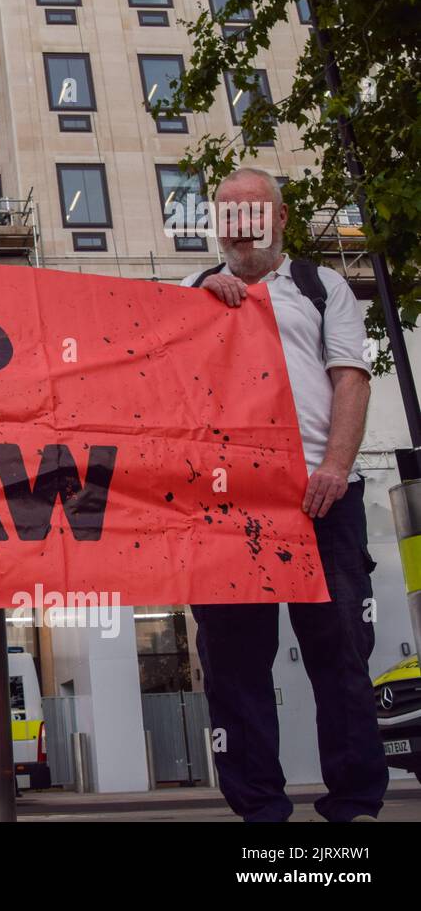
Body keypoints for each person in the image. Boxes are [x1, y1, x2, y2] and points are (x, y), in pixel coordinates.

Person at [183, 166, 388, 822]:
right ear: (218, 226)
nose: (244, 228)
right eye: (231, 215)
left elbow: (352, 379)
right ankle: (260, 816)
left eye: (256, 212)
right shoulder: (185, 293)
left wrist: (334, 465)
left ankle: (353, 808)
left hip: (321, 500)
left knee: (342, 653)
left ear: (282, 220)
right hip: (228, 506)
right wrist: (196, 310)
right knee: (233, 663)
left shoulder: (321, 286)